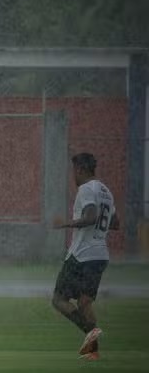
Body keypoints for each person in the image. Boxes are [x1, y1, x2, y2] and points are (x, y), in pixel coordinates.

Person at [51, 152, 118, 361]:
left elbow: (89, 217)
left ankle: (90, 330)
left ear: (80, 169)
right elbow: (115, 223)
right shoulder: (106, 191)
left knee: (59, 299)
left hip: (81, 255)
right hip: (100, 255)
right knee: (84, 302)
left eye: (74, 171)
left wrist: (66, 223)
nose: (73, 176)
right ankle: (93, 350)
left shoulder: (86, 189)